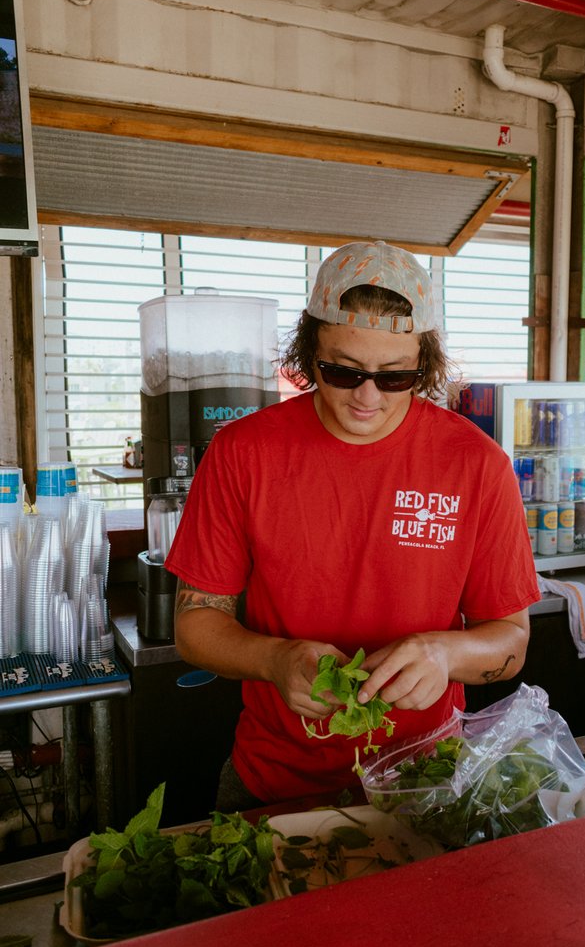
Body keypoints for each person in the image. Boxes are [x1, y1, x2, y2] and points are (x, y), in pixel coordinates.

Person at [166, 240, 540, 811]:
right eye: (342, 371)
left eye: (394, 377)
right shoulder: (242, 452)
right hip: (273, 783)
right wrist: (275, 660)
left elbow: (511, 643)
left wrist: (445, 656)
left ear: (426, 364)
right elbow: (195, 625)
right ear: (309, 350)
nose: (367, 397)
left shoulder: (477, 465)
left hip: (427, 782)